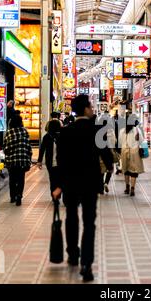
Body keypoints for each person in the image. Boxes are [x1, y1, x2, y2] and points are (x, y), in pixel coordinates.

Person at [52, 95, 113, 282]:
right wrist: (109, 166)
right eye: (91, 106)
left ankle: (72, 253)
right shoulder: (97, 131)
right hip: (90, 183)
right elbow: (107, 157)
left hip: (70, 183)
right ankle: (86, 264)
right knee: (89, 223)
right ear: (86, 109)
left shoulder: (65, 132)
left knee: (71, 216)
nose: (93, 109)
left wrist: (58, 185)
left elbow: (60, 161)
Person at [3, 115, 32, 206]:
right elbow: (28, 146)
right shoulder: (25, 131)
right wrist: (29, 156)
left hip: (11, 160)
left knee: (12, 179)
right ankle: (19, 195)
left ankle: (12, 197)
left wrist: (7, 152)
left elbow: (6, 147)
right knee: (20, 178)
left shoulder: (9, 132)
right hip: (23, 160)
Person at [118, 114, 145, 197]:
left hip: (124, 151)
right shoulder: (137, 130)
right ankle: (132, 188)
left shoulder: (122, 131)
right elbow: (141, 141)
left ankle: (127, 187)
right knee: (134, 171)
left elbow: (119, 142)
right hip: (134, 152)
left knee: (126, 170)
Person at [37, 120, 61, 194]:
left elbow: (42, 150)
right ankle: (58, 194)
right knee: (60, 179)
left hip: (50, 162)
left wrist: (39, 161)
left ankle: (54, 196)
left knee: (52, 179)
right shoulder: (63, 136)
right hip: (61, 162)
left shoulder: (46, 137)